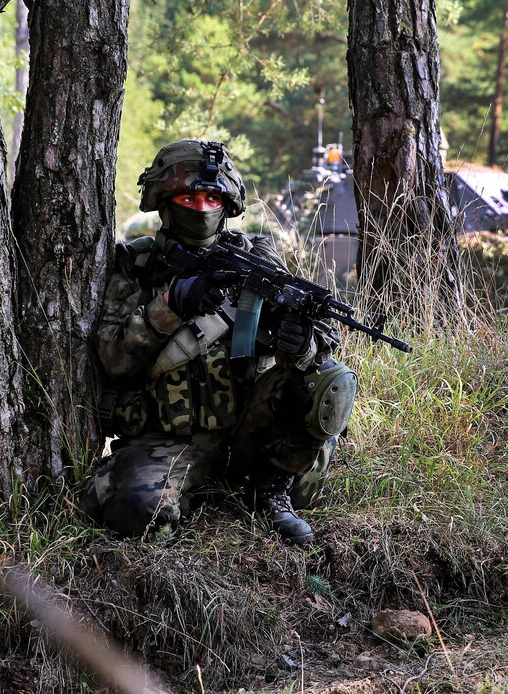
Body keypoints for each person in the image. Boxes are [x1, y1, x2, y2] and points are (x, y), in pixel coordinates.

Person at [80, 139, 357, 544]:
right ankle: (193, 488)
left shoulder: (256, 261)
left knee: (331, 378)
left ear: (229, 204)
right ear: (162, 198)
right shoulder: (137, 266)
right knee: (137, 515)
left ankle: (273, 490)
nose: (202, 207)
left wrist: (299, 345)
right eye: (189, 196)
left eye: (212, 196)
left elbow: (315, 355)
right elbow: (113, 359)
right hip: (170, 438)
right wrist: (171, 304)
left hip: (250, 429)